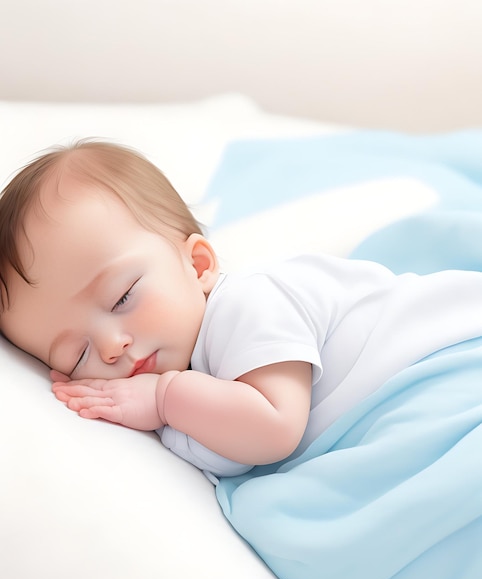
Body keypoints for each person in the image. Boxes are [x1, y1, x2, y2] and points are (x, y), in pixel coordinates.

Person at [2, 139, 482, 480]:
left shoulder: (250, 301)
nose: (110, 346)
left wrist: (163, 399)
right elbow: (231, 452)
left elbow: (272, 427)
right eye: (76, 355)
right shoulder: (199, 382)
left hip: (447, 363)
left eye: (123, 296)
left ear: (198, 264)